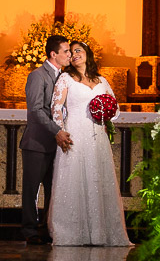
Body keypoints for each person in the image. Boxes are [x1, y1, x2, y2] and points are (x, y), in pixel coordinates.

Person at [48, 42, 131, 246]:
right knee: (74, 178)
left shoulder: (101, 81)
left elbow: (116, 108)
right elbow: (56, 107)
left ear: (87, 54)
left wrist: (107, 115)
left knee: (97, 179)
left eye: (79, 51)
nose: (75, 54)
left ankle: (100, 232)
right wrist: (61, 131)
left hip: (97, 136)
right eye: (72, 52)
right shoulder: (66, 79)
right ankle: (71, 232)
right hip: (74, 133)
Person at [20, 35, 74, 245]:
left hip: (56, 144)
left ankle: (47, 227)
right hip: (37, 143)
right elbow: (35, 111)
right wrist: (57, 130)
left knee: (54, 189)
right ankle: (29, 230)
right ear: (54, 54)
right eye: (66, 51)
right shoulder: (37, 76)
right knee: (32, 189)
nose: (70, 55)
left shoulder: (63, 76)